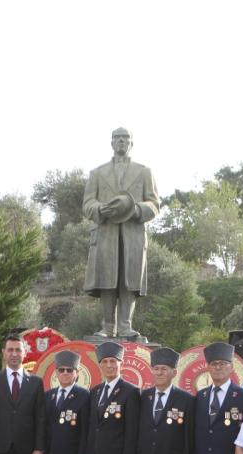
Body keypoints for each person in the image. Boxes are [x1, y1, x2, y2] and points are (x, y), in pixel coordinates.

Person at [82, 127, 160, 340]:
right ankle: (108, 326)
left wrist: (135, 209)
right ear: (111, 142)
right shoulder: (97, 173)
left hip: (133, 233)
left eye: (126, 138)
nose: (121, 142)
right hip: (106, 232)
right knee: (108, 279)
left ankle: (126, 326)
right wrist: (99, 209)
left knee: (129, 279)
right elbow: (88, 202)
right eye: (117, 138)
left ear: (131, 143)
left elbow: (154, 203)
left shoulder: (144, 171)